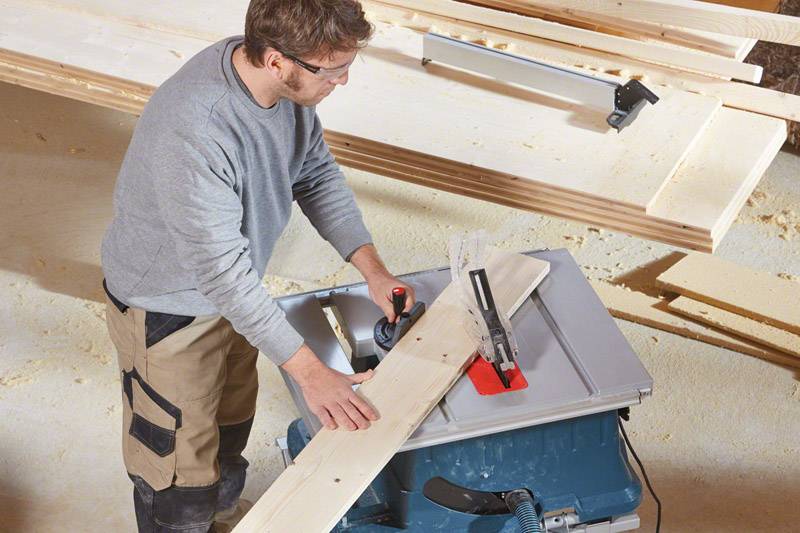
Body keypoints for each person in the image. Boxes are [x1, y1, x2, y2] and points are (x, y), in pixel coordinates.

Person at [100, 1, 414, 531]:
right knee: (177, 481)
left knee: (227, 433)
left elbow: (313, 171)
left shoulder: (284, 87)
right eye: (332, 70)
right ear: (275, 60)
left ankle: (222, 521)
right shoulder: (196, 128)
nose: (342, 81)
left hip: (236, 294)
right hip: (169, 311)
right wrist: (314, 373)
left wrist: (372, 268)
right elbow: (218, 272)